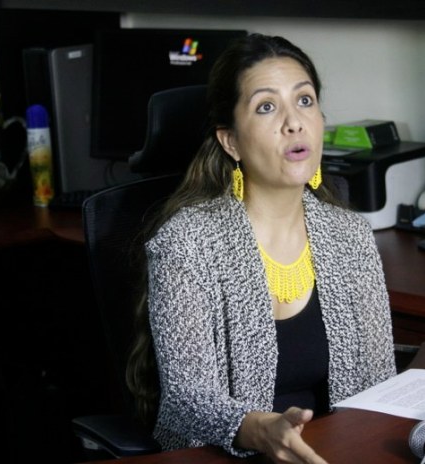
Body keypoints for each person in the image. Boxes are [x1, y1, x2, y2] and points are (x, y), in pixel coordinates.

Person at [127, 33, 396, 463]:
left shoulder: (352, 237)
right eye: (266, 107)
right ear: (230, 141)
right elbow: (185, 401)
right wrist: (257, 430)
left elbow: (380, 382)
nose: (294, 122)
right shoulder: (186, 244)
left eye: (305, 101)